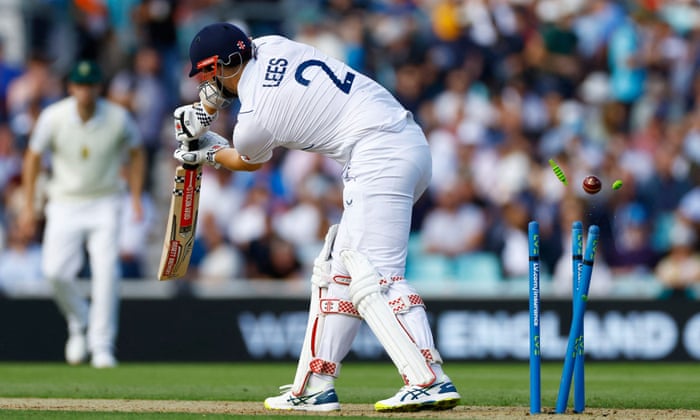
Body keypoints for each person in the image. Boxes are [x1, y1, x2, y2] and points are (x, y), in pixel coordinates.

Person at [172, 22, 461, 412]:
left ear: (225, 64)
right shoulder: (271, 44)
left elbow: (246, 160)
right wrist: (205, 110)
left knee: (373, 274)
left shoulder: (255, 117)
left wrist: (206, 150)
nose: (205, 81)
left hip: (379, 154)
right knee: (335, 272)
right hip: (401, 143)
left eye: (208, 72)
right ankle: (314, 385)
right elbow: (237, 79)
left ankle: (427, 378)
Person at [19, 59, 145, 368]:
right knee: (53, 272)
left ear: (98, 88)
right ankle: (81, 320)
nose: (85, 92)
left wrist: (137, 196)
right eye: (80, 85)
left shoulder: (118, 118)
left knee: (106, 273)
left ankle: (102, 346)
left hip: (105, 202)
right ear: (71, 87)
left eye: (91, 85)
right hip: (64, 202)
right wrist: (27, 205)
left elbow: (137, 151)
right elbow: (33, 158)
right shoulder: (53, 117)